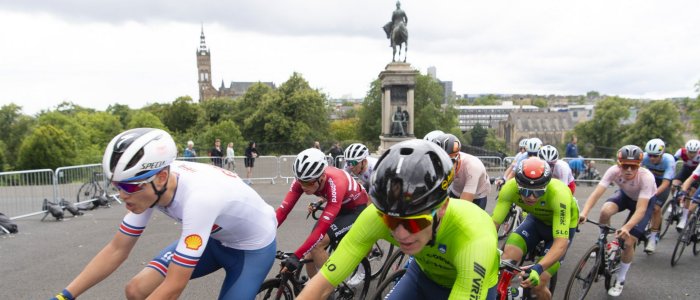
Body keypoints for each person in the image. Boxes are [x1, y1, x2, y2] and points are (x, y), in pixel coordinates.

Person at [49, 128, 277, 300]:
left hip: (252, 249)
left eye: (128, 187)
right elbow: (117, 249)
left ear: (160, 178)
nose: (122, 195)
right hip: (213, 240)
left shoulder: (200, 198)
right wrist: (64, 296)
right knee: (136, 290)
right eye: (116, 186)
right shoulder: (149, 187)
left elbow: (174, 285)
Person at [297, 139, 499, 299]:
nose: (400, 234)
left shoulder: (475, 236)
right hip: (423, 277)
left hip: (469, 281)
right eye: (390, 221)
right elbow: (321, 286)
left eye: (414, 221)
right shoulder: (374, 215)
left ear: (443, 207)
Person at [493, 157, 578, 300]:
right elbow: (493, 225)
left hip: (562, 230)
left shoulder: (559, 194)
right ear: (517, 185)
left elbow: (560, 243)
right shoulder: (509, 188)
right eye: (525, 192)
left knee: (538, 284)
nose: (531, 197)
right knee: (505, 261)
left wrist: (538, 268)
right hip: (536, 221)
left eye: (538, 192)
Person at [275, 148, 369, 279]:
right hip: (338, 205)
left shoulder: (336, 183)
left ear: (322, 177)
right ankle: (315, 290)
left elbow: (320, 231)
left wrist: (296, 256)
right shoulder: (304, 179)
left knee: (317, 245)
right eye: (300, 181)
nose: (303, 186)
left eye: (308, 182)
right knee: (309, 252)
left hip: (355, 209)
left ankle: (329, 289)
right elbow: (283, 211)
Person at [579, 145, 656, 297]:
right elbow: (596, 194)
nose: (628, 170)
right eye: (625, 165)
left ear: (639, 166)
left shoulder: (646, 177)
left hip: (643, 202)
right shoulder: (613, 170)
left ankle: (620, 279)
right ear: (619, 164)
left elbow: (640, 209)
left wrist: (626, 227)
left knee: (628, 242)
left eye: (633, 167)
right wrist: (584, 212)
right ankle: (603, 243)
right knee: (605, 210)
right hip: (625, 196)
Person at [433, 133, 491, 210]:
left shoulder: (473, 166)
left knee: (467, 218)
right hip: (456, 190)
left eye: (448, 162)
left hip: (478, 195)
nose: (444, 168)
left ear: (457, 158)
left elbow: (463, 206)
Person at [641, 138, 676, 253]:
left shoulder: (669, 160)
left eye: (655, 156)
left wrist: (652, 194)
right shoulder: (644, 157)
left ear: (662, 154)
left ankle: (653, 237)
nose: (652, 158)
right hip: (652, 180)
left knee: (656, 209)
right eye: (650, 155)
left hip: (663, 183)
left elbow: (666, 183)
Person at [673, 139, 700, 230]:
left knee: (691, 192)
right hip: (686, 170)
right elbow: (672, 162)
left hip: (695, 172)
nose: (692, 154)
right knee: (674, 184)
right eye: (690, 152)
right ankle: (674, 202)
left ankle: (685, 219)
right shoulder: (681, 152)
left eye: (694, 152)